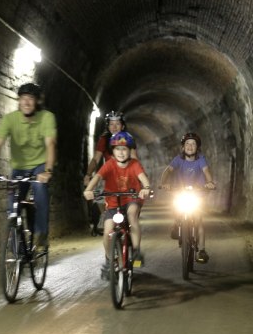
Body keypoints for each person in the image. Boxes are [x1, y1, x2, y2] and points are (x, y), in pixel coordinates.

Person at [0, 83, 57, 250]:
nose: (26, 103)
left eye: (30, 99)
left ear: (37, 101)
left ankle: (41, 233)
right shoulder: (10, 119)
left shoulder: (46, 117)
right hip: (19, 168)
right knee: (12, 204)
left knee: (40, 189)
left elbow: (50, 144)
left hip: (40, 165)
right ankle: (19, 251)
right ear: (18, 101)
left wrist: (48, 171)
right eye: (23, 99)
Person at [83, 131, 151, 277]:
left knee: (132, 216)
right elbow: (97, 177)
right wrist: (88, 190)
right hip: (113, 202)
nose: (121, 152)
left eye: (124, 149)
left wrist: (145, 189)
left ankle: (137, 251)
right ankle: (109, 260)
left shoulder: (134, 164)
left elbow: (143, 179)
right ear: (112, 151)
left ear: (130, 150)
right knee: (108, 231)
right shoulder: (109, 165)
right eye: (117, 149)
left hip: (131, 199)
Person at [159, 132, 216, 263]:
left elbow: (206, 171)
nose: (190, 146)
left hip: (198, 193)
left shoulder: (201, 159)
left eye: (193, 144)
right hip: (180, 191)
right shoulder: (178, 159)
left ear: (198, 147)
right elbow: (168, 171)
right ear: (183, 147)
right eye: (187, 144)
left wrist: (210, 183)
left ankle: (201, 249)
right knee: (175, 206)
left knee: (199, 219)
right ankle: (176, 223)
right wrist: (164, 183)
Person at [83, 111, 138, 235]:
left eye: (117, 124)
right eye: (111, 124)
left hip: (126, 173)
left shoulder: (128, 137)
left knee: (133, 198)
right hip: (110, 173)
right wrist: (88, 174)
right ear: (107, 126)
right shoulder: (104, 139)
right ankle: (105, 215)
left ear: (122, 126)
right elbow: (96, 159)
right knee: (99, 189)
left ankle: (131, 225)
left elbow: (134, 158)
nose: (114, 127)